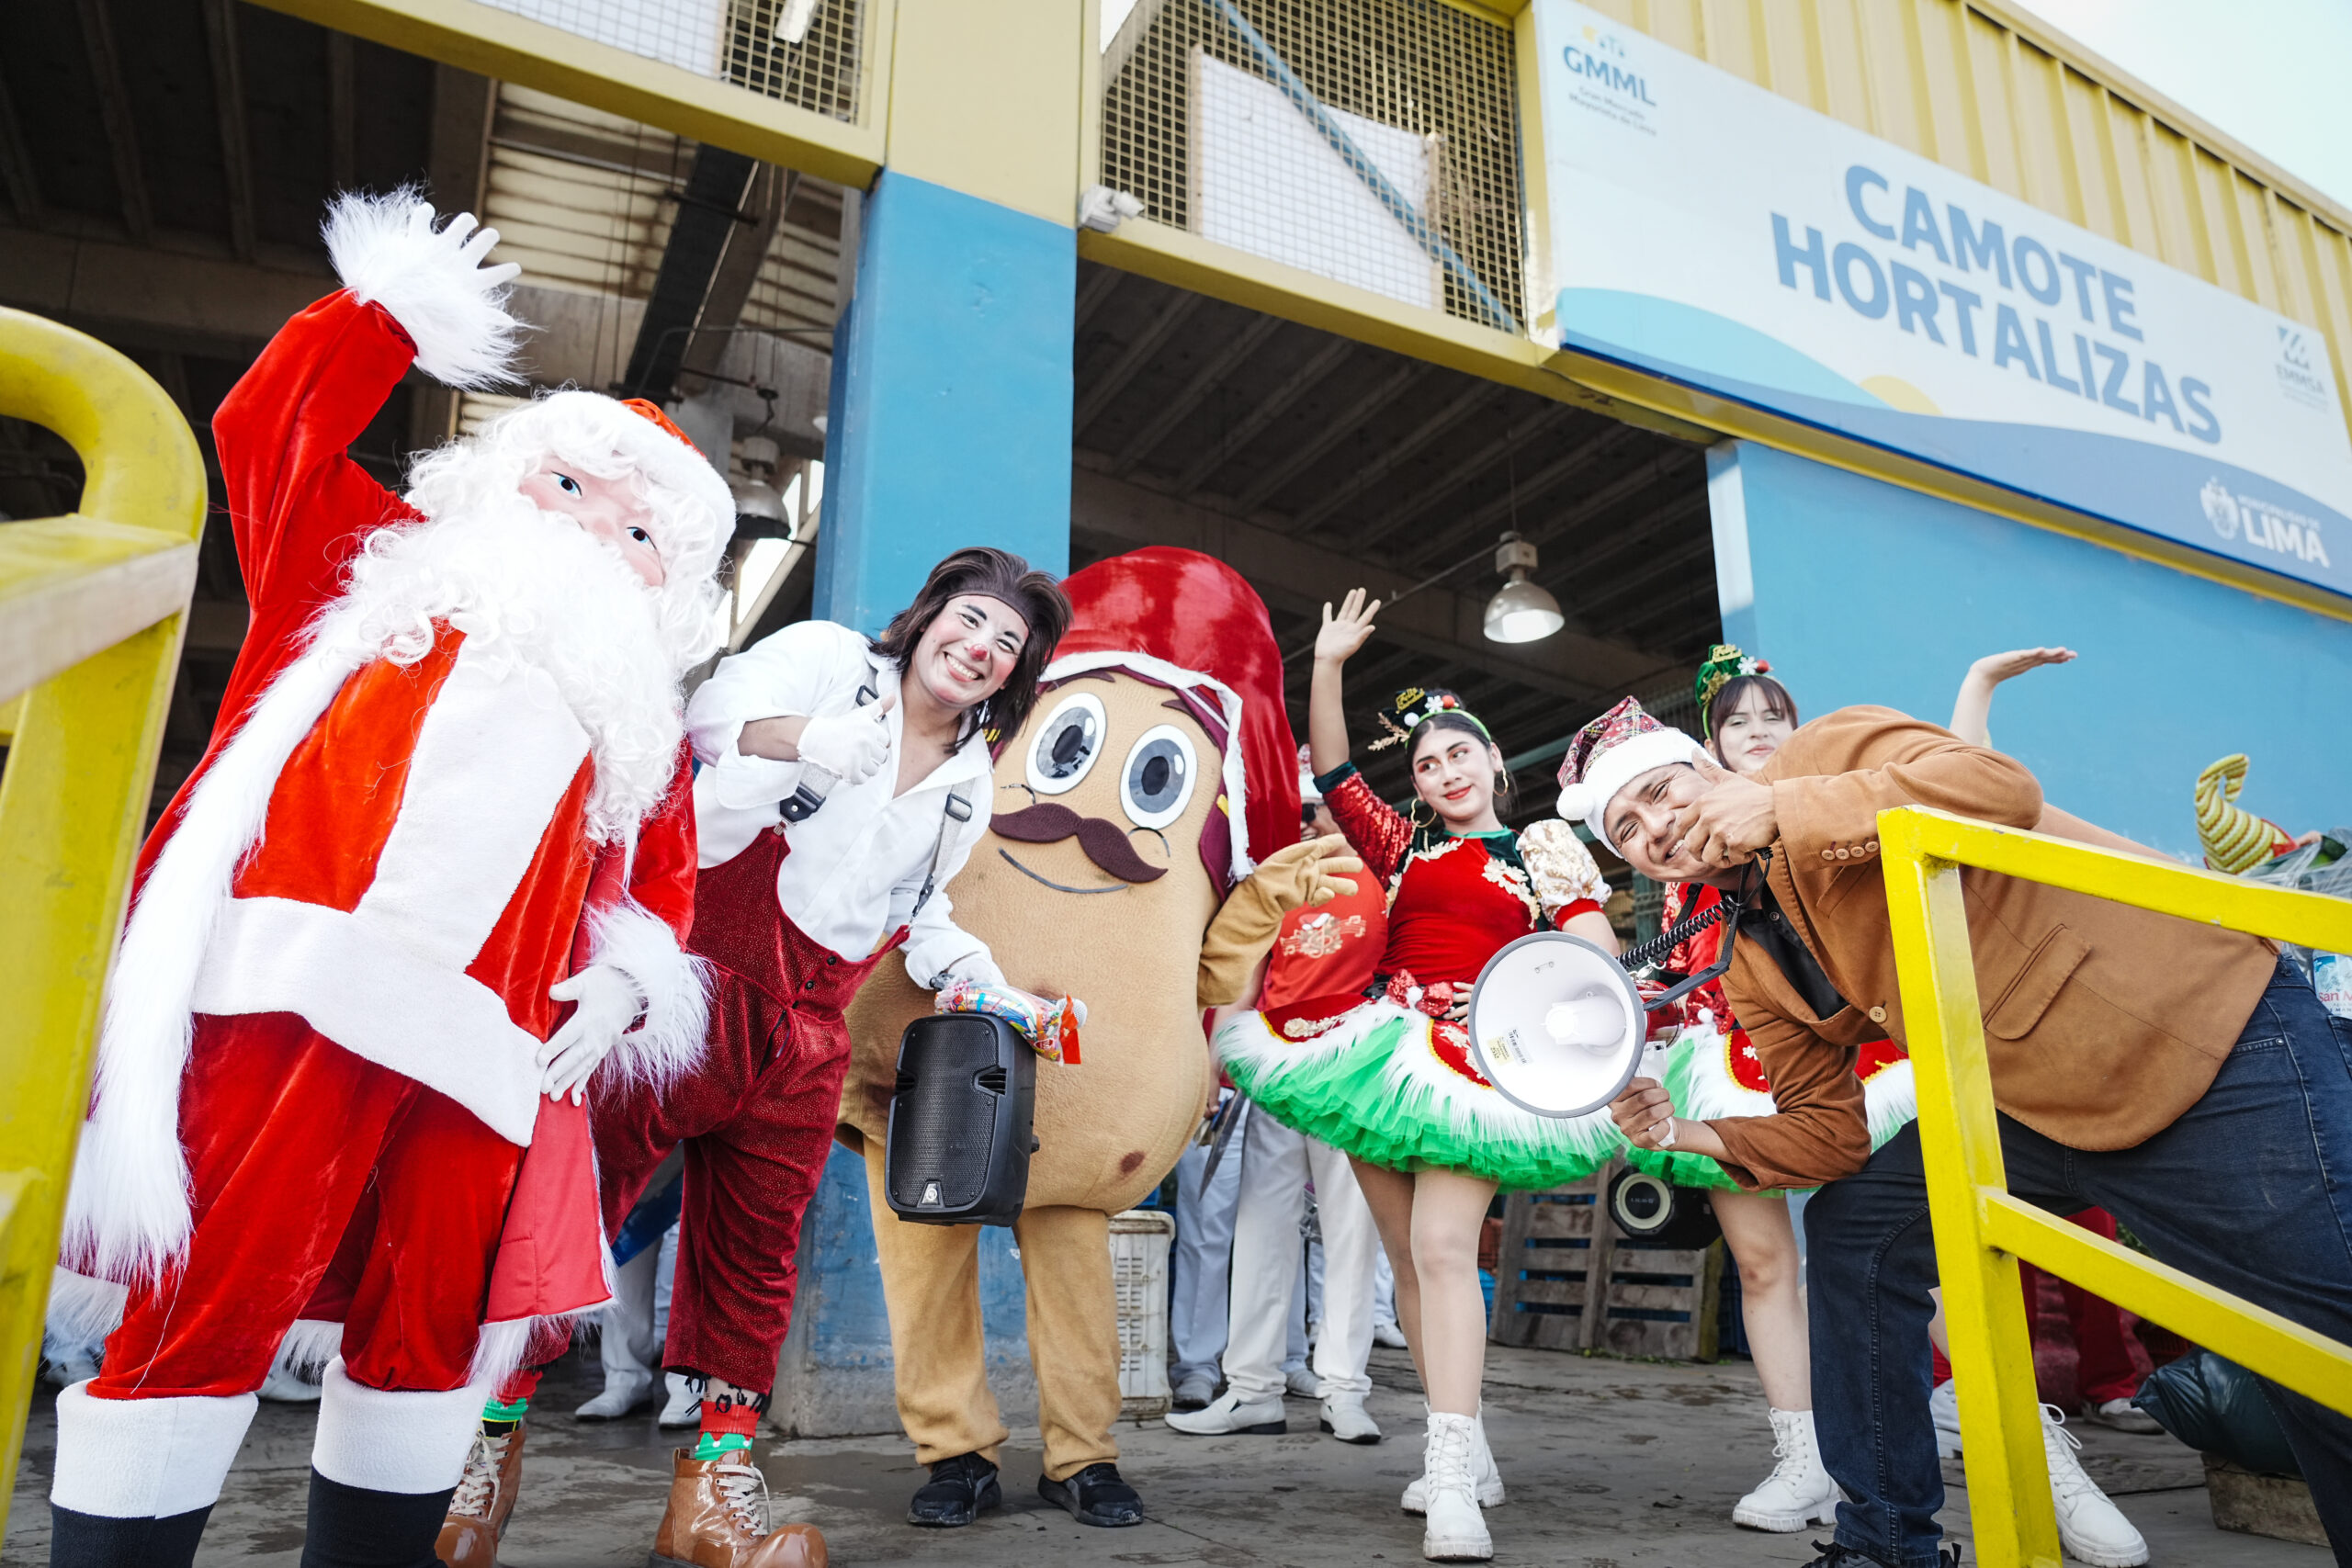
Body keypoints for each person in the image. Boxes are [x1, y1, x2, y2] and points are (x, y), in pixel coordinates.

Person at [48, 192, 730, 1568]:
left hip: (489, 1055)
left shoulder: (640, 727)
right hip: (282, 993)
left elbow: (659, 892)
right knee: (205, 1307)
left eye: (641, 535)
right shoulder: (361, 568)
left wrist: (629, 979)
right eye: (572, 488)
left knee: (430, 1342)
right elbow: (268, 428)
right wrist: (386, 310)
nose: (595, 532)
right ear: (501, 474)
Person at [1570, 694, 2352, 1568]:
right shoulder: (1745, 956)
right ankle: (1886, 1544)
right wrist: (1683, 1129)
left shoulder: (1825, 751)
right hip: (2028, 1105)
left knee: (2320, 1342)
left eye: (1660, 792)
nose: (1655, 826)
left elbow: (1999, 786)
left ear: (1708, 769)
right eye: (1626, 827)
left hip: (2203, 1036)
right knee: (1855, 1230)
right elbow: (1831, 1135)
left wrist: (1784, 806)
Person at [476, 547, 1073, 1566]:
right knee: (571, 1211)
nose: (979, 646)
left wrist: (991, 985)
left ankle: (710, 1497)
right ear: (930, 616)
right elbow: (712, 719)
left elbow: (919, 911)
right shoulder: (832, 661)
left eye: (1006, 642)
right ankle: (477, 1454)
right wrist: (810, 738)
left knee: (756, 1262)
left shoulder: (969, 785)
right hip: (685, 985)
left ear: (1017, 672)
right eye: (969, 619)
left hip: (806, 1035)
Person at [838, 547, 1359, 1532]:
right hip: (929, 1061)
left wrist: (1264, 898)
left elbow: (1208, 978)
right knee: (924, 1268)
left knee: (1077, 1284)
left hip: (1084, 1099)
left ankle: (1083, 1455)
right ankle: (953, 1452)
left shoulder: (1203, 858)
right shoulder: (955, 761)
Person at [1219, 589, 1621, 1563]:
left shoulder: (1540, 849)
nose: (1444, 771)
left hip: (1479, 1062)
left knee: (1443, 1249)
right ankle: (1468, 1449)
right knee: (1408, 1262)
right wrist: (1326, 664)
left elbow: (1595, 958)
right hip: (1381, 1057)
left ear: (1492, 759)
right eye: (1427, 764)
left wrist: (1546, 1011)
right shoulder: (1402, 849)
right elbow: (1334, 770)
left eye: (1457, 754)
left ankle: (1447, 1476)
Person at [1622, 647, 1913, 1534]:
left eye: (1771, 716)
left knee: (1907, 1253)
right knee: (1764, 1264)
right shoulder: (1687, 880)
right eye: (1736, 720)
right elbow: (1676, 977)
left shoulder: (1826, 805)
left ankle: (2034, 1450)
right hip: (1734, 1070)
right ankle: (1804, 1458)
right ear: (1708, 745)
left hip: (1861, 1057)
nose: (1756, 732)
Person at [1170, 754, 1390, 1446]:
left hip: (1354, 1072)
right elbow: (1245, 978)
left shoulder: (1386, 874)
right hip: (1275, 1070)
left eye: (1312, 809)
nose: (1303, 823)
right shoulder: (1278, 878)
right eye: (1294, 812)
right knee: (1261, 1227)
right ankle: (1253, 1390)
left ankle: (1344, 1390)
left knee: (1350, 1234)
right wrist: (1211, 1070)